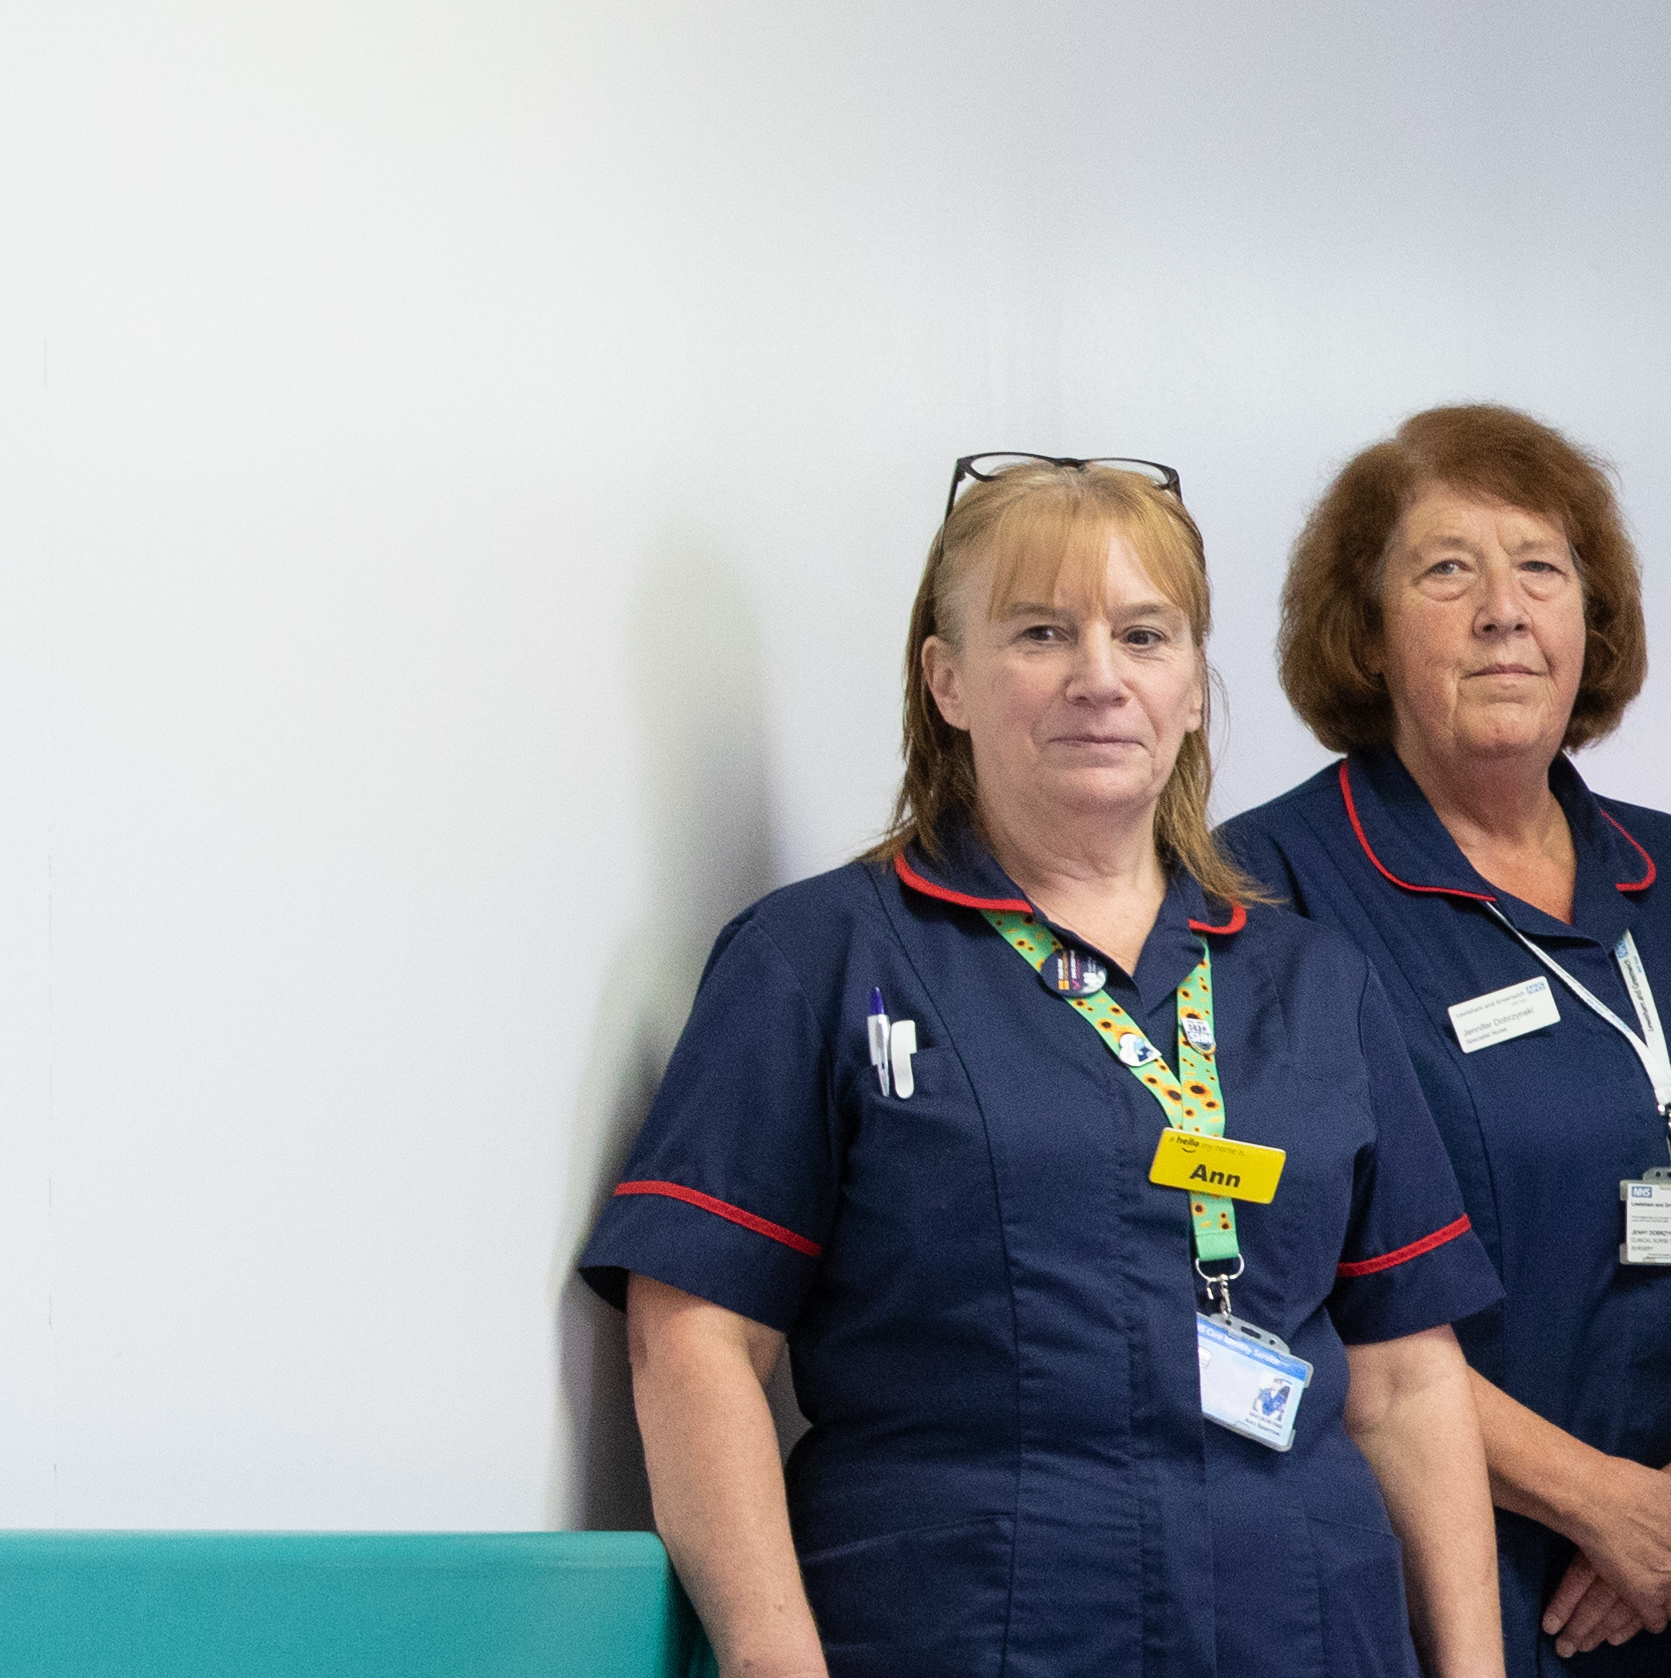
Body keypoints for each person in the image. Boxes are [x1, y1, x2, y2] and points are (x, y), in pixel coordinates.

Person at [586, 454, 1509, 1677]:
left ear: (1191, 691)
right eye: (1039, 632)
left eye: (1145, 635)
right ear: (947, 679)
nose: (1100, 679)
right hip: (970, 1623)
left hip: (1302, 1625)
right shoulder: (819, 960)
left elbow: (1406, 1382)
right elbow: (695, 1336)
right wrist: (771, 1658)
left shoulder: (1311, 984)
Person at [1224, 406, 1671, 1676]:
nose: (1505, 610)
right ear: (1364, 633)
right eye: (1448, 570)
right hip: (1441, 1579)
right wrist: (1598, 1501)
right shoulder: (1267, 888)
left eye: (1542, 568)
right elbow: (1278, 1283)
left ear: (1589, 620)